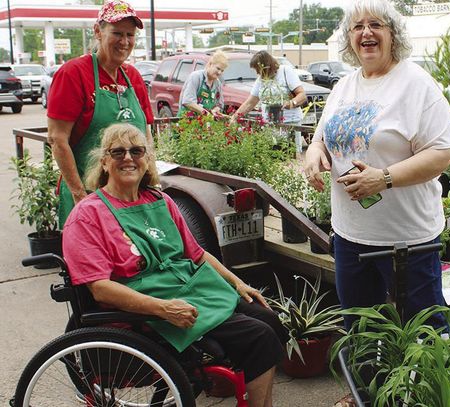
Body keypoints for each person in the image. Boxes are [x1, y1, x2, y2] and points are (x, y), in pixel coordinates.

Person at [62, 123, 286, 407]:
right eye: (118, 152)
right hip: (150, 304)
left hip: (188, 287)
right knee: (259, 336)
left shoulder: (160, 200)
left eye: (137, 151)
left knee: (269, 319)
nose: (128, 158)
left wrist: (239, 283)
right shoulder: (88, 215)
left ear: (147, 159)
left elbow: (197, 255)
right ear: (104, 161)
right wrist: (163, 309)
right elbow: (101, 289)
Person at [304, 0, 450, 346]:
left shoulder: (416, 85)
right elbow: (321, 137)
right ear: (349, 38)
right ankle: (368, 395)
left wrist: (383, 178)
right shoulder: (345, 86)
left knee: (427, 335)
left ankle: (427, 397)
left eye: (376, 25)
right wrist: (314, 153)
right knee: (361, 331)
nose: (366, 33)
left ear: (393, 34)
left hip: (406, 240)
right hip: (349, 235)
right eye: (358, 27)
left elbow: (444, 152)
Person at [47, 0, 154, 228]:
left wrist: (152, 180)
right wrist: (79, 195)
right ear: (98, 31)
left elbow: (146, 134)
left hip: (130, 196)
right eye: (117, 33)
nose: (124, 42)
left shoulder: (133, 77)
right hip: (88, 193)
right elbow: (57, 139)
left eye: (130, 35)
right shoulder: (73, 73)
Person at [230, 51, 307, 152]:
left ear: (267, 66)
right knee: (273, 155)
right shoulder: (260, 80)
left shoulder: (285, 71)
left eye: (258, 69)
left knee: (290, 155)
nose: (257, 73)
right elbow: (250, 102)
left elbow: (302, 95)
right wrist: (235, 116)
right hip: (270, 125)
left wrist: (291, 103)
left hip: (289, 123)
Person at [177, 50, 228, 117]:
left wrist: (215, 110)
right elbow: (188, 102)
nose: (219, 72)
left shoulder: (217, 84)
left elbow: (220, 105)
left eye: (222, 70)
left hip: (205, 122)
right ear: (210, 64)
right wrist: (205, 113)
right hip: (187, 120)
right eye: (218, 68)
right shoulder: (196, 77)